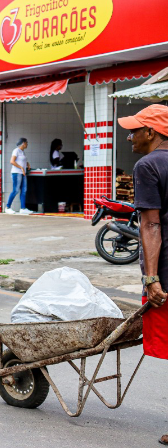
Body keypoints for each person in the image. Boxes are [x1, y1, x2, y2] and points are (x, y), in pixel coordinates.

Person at [117, 104, 168, 446]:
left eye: (135, 130)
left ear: (152, 132)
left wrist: (151, 278)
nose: (130, 136)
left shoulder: (148, 165)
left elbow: (151, 224)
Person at [5, 137, 33, 214]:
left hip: (22, 173)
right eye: (27, 143)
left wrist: (27, 164)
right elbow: (12, 161)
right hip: (16, 173)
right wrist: (21, 167)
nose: (27, 144)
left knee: (24, 190)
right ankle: (7, 207)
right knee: (16, 190)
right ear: (23, 143)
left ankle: (23, 208)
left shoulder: (22, 152)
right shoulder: (16, 151)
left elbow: (22, 160)